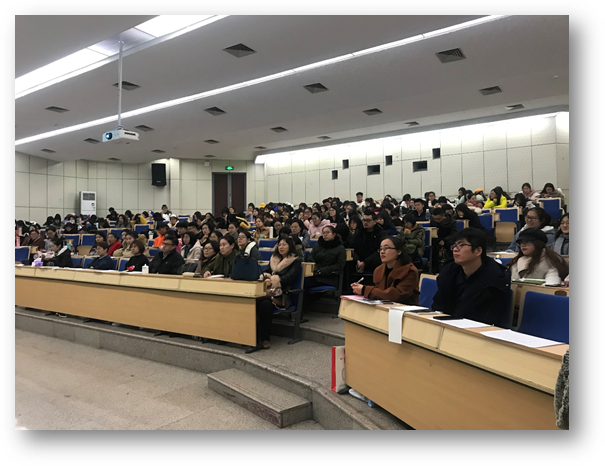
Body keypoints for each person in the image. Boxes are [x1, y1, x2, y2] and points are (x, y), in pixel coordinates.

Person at [431, 228, 511, 325]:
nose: (455, 249)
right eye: (454, 245)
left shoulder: (494, 279)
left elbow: (489, 318)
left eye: (461, 245)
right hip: (449, 325)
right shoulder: (449, 273)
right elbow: (438, 305)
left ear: (478, 251)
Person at [256, 237, 302, 349]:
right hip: (269, 292)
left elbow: (289, 278)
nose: (281, 247)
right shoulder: (274, 258)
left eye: (284, 245)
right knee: (254, 300)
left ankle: (265, 338)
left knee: (265, 304)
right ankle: (253, 336)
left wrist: (272, 281)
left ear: (290, 246)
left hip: (284, 294)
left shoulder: (295, 260)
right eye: (279, 245)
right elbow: (265, 271)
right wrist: (266, 278)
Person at [351, 236, 419, 304]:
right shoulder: (378, 270)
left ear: (398, 251)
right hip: (384, 307)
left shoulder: (409, 270)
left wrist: (364, 290)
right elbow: (380, 293)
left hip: (405, 308)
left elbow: (396, 296)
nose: (382, 252)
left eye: (387, 248)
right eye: (381, 249)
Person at [352, 211, 387, 275]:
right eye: (364, 220)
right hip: (359, 259)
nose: (365, 222)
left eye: (368, 220)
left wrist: (365, 262)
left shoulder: (381, 233)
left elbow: (379, 250)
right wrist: (357, 260)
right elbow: (353, 247)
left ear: (375, 221)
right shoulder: (358, 232)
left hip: (373, 261)